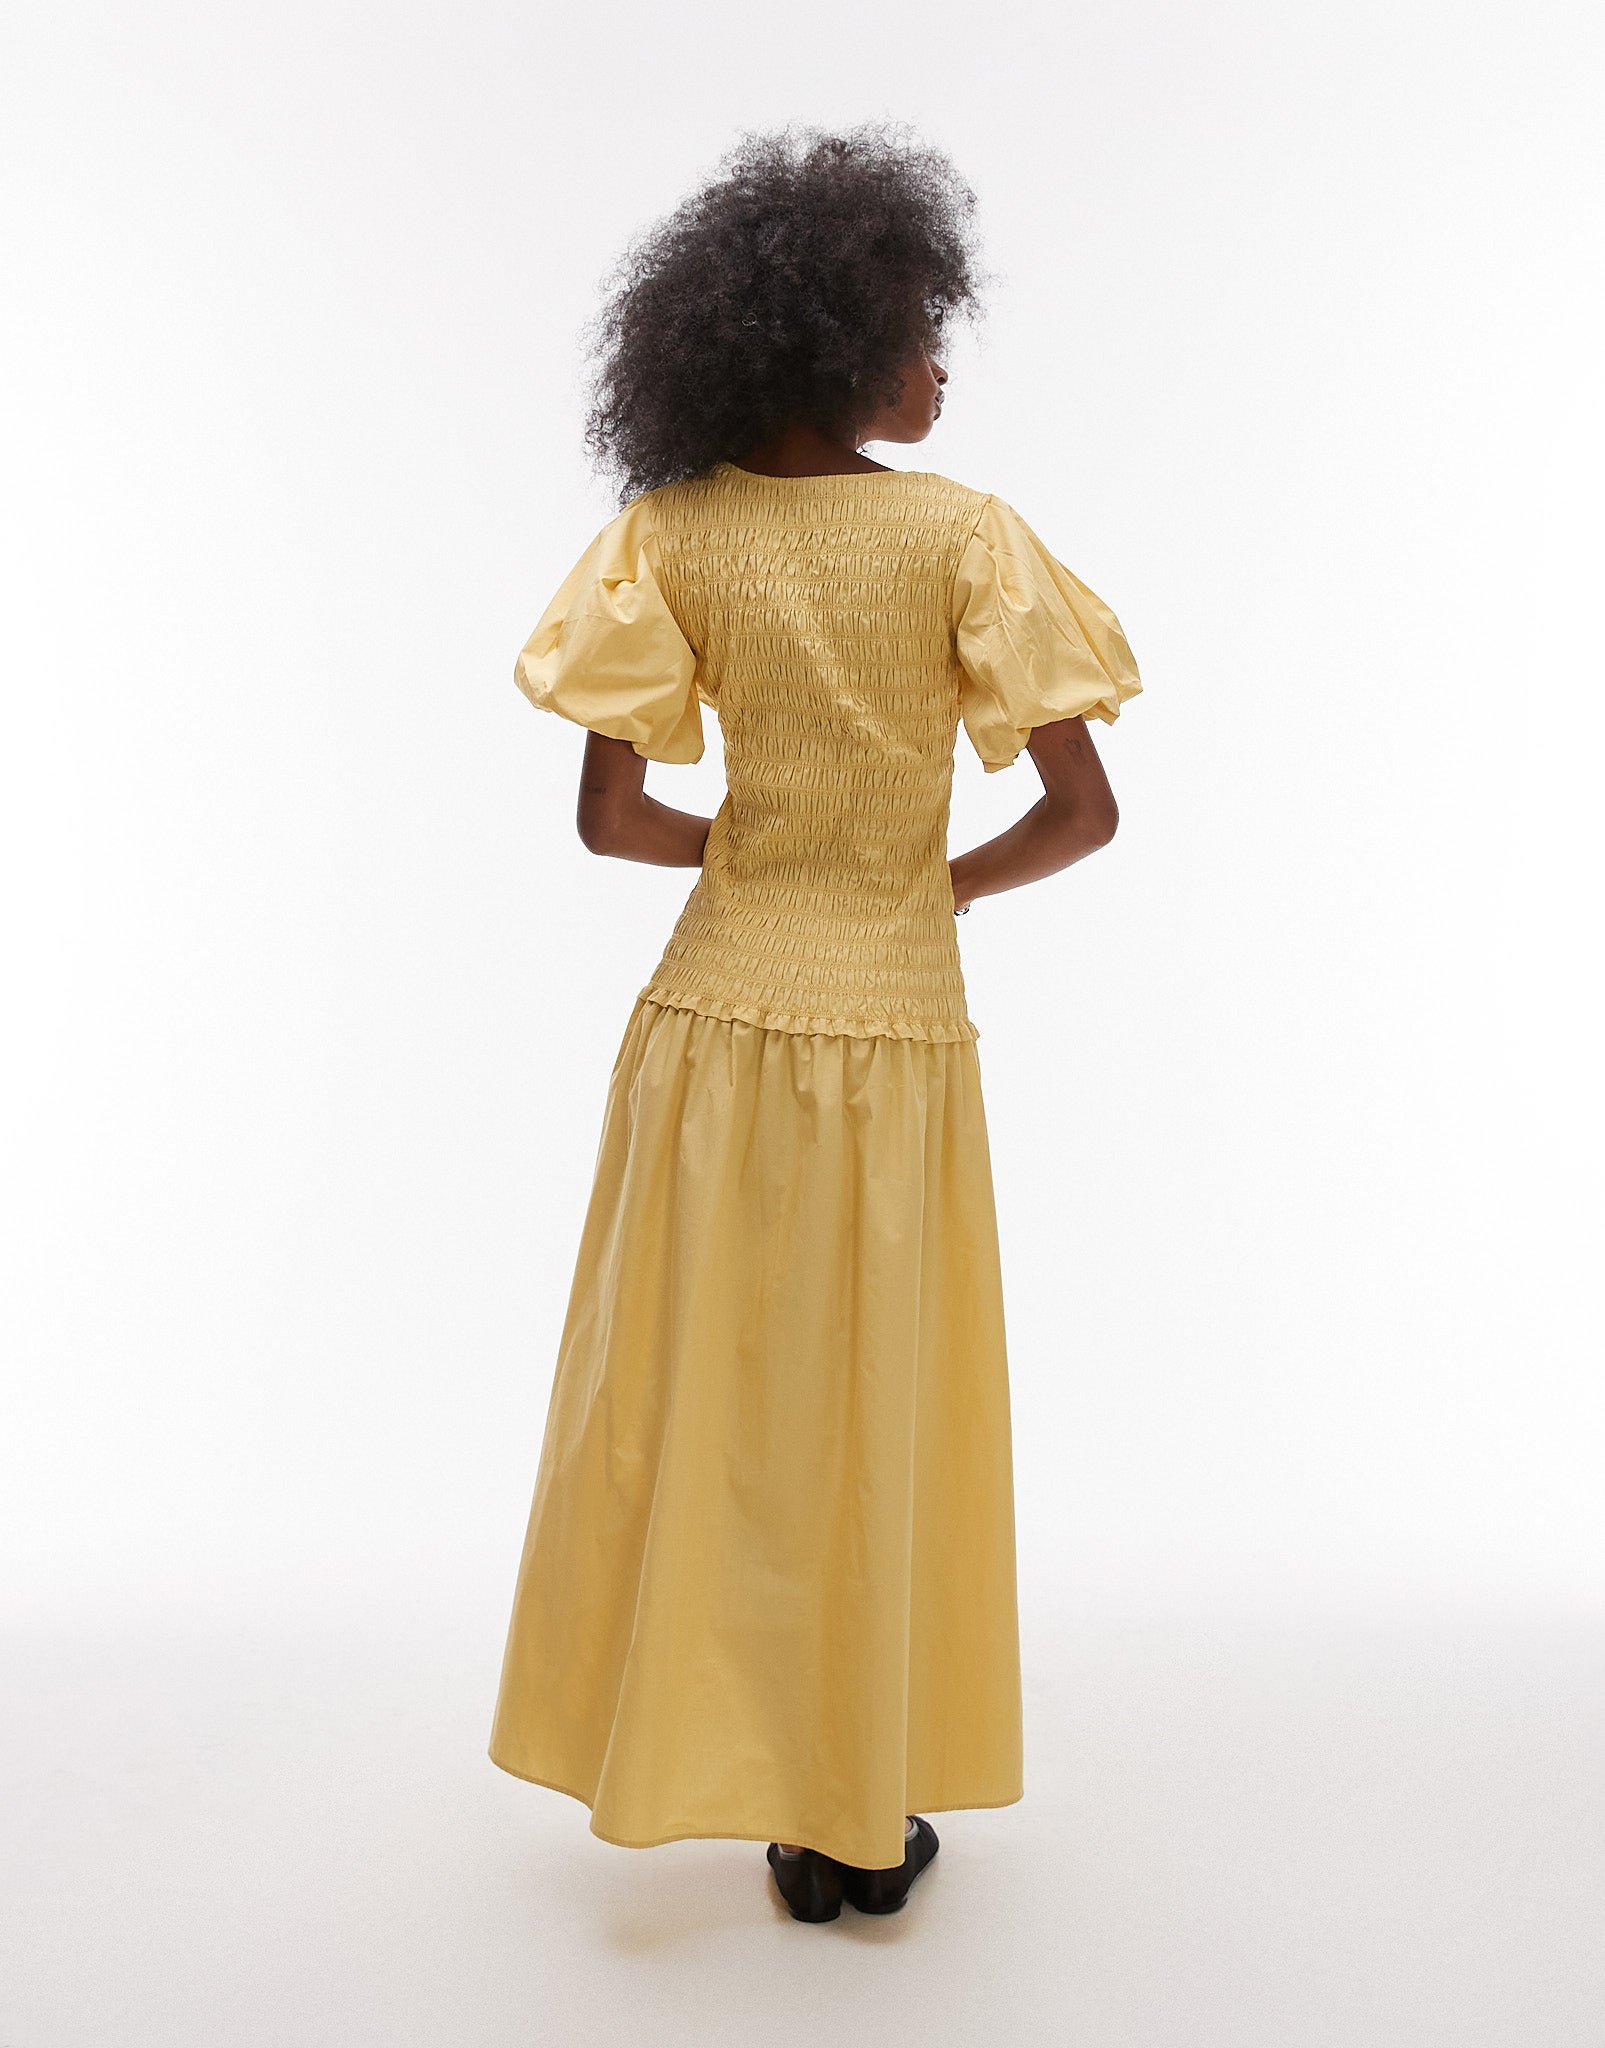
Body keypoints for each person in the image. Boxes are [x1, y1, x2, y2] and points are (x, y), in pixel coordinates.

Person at [488, 121, 1141, 1924]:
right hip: (893, 1030)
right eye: (920, 334)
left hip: (705, 1026)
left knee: (703, 1401)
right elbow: (1081, 815)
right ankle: (851, 1812)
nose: (937, 370)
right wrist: (922, 885)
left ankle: (714, 1761)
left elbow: (611, 821)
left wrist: (758, 847)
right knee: (873, 1411)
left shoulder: (664, 536)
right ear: (835, 342)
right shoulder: (962, 538)